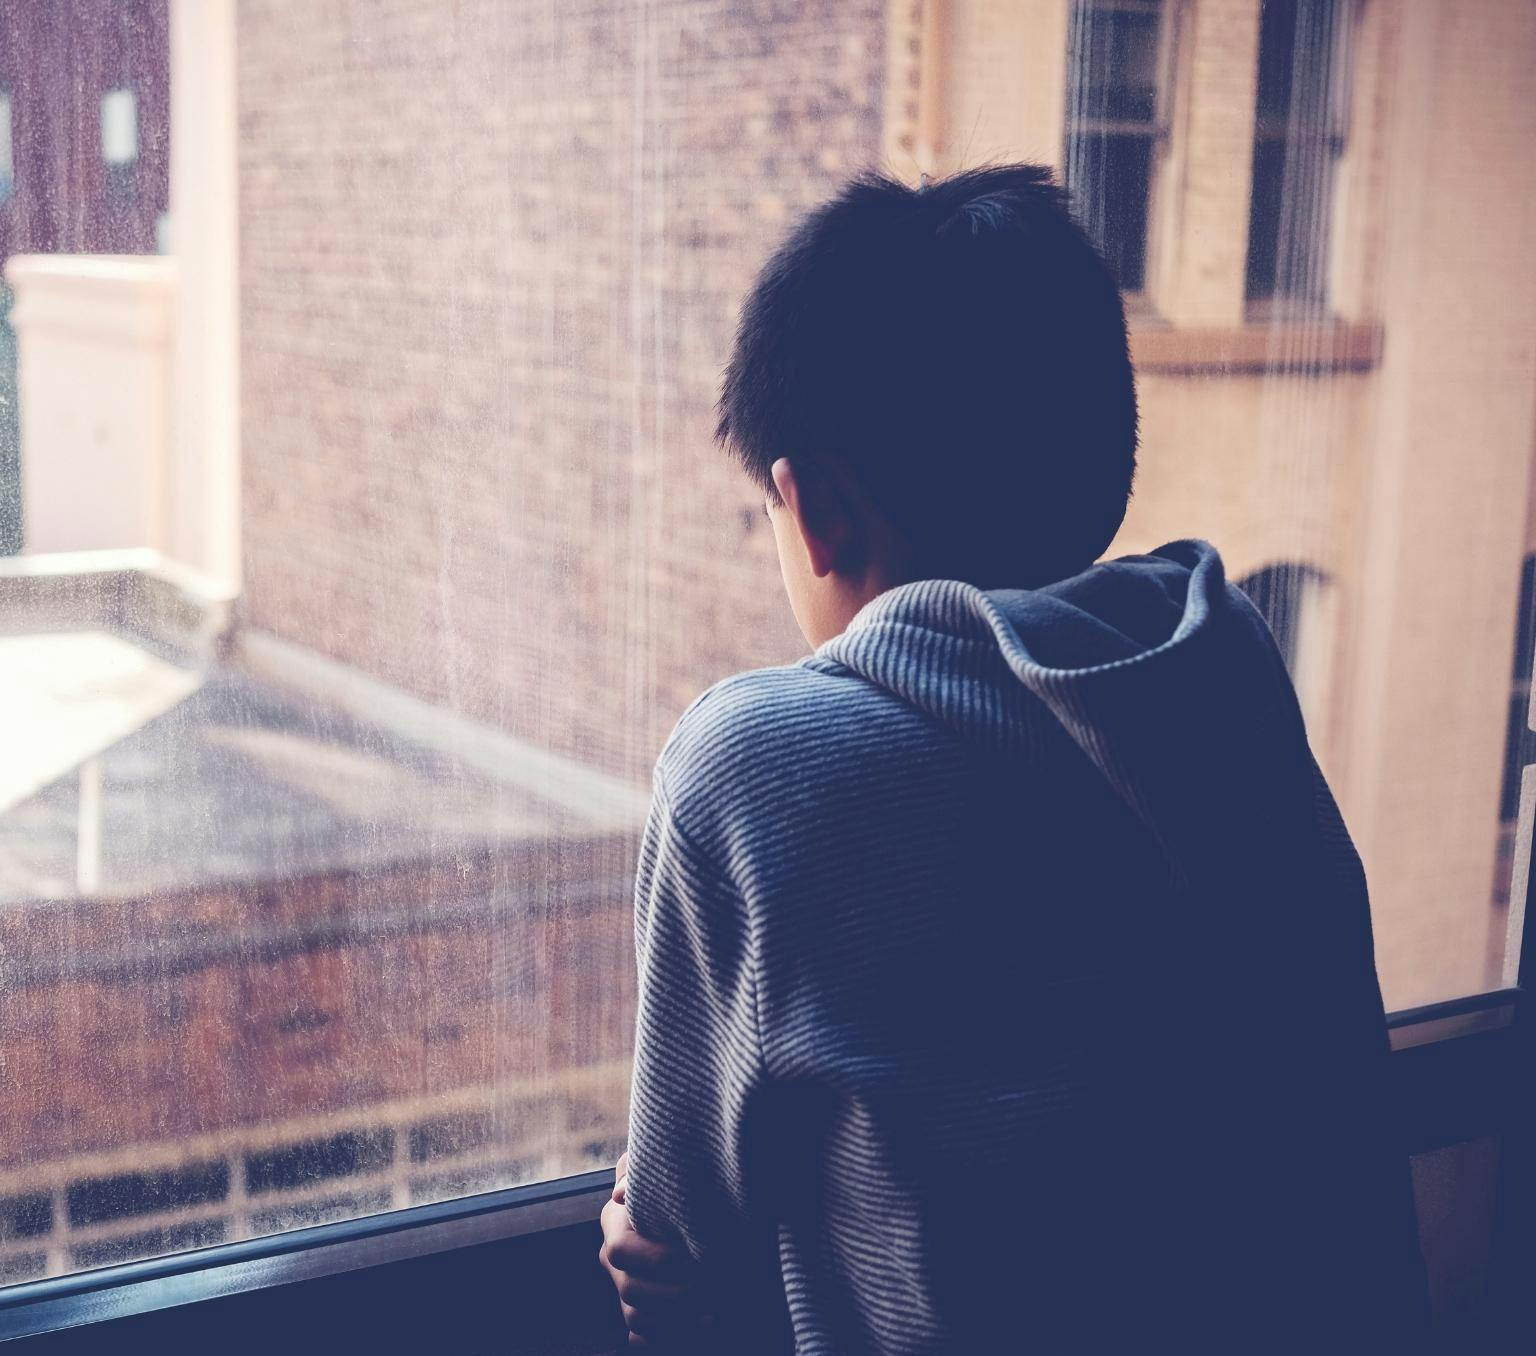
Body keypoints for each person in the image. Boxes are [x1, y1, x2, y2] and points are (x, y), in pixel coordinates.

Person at [599, 164, 1428, 1353]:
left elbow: (678, 1241)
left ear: (813, 507)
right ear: (1107, 451)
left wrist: (644, 1241)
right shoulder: (1224, 674)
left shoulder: (757, 768)